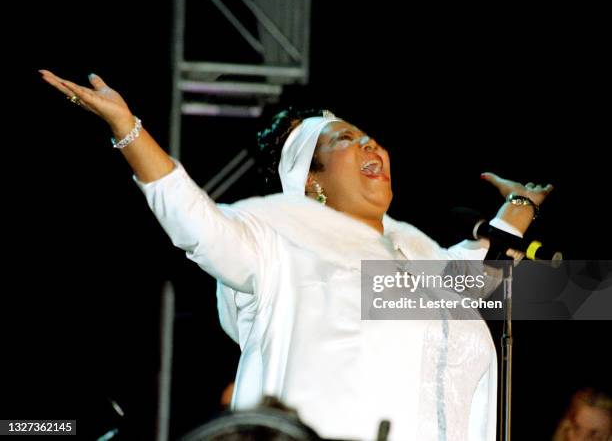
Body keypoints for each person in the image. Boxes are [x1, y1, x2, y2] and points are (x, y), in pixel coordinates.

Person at [39, 70, 553, 440]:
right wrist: (127, 128)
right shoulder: (284, 245)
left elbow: (485, 270)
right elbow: (197, 224)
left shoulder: (418, 256)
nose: (370, 144)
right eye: (346, 140)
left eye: (371, 136)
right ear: (313, 182)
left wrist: (522, 204)